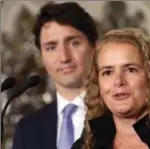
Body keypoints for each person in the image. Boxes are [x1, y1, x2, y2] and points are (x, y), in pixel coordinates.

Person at [12, 2, 98, 149]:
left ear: (95, 48)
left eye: (74, 43)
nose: (64, 57)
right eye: (51, 47)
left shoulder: (120, 116)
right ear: (42, 58)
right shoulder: (27, 129)